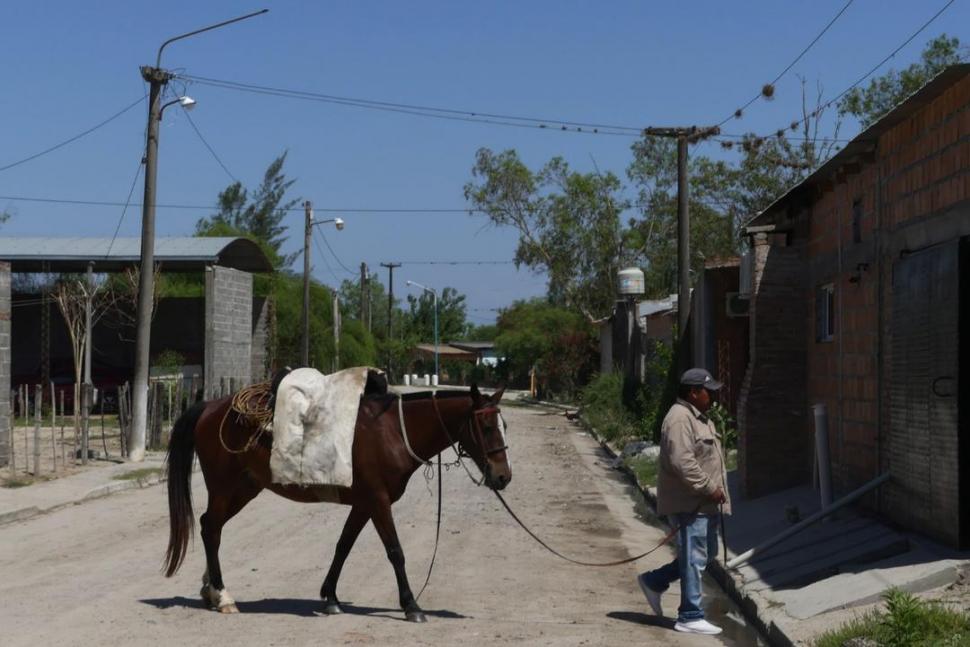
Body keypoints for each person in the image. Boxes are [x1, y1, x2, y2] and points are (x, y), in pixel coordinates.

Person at [636, 368, 731, 635]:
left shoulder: (697, 417)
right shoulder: (679, 418)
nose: (712, 396)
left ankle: (655, 581)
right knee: (694, 556)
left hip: (703, 503)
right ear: (693, 392)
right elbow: (683, 462)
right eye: (708, 391)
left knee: (703, 554)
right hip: (691, 503)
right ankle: (689, 615)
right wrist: (709, 487)